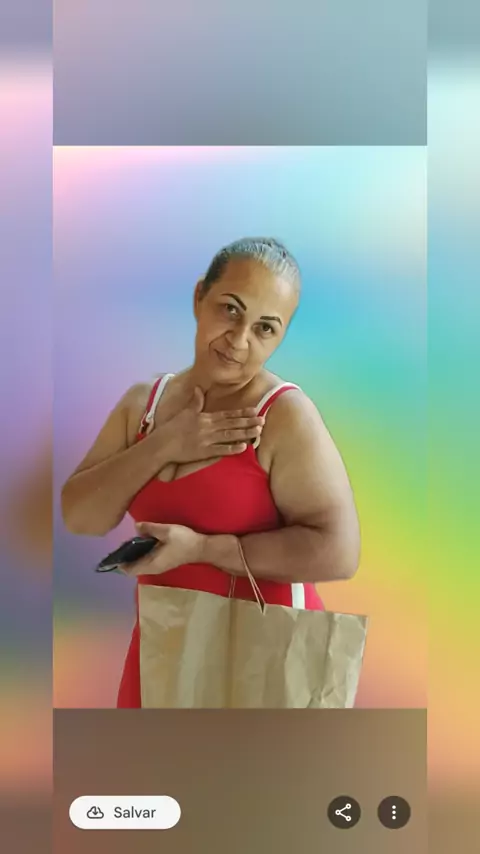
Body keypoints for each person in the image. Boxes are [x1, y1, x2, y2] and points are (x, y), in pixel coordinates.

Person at [61, 237, 361, 708]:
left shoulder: (283, 416)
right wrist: (164, 444)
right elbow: (82, 517)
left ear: (281, 336)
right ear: (200, 296)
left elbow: (339, 552)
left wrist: (202, 550)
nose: (240, 340)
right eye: (231, 310)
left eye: (265, 328)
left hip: (265, 661)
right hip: (165, 651)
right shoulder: (143, 406)